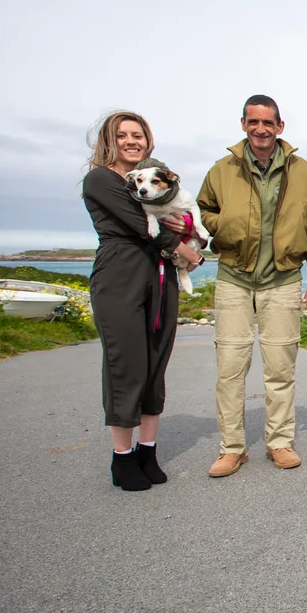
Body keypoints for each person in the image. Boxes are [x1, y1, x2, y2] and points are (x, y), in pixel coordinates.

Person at [196, 95, 307, 477]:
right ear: (243, 124)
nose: (261, 129)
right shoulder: (222, 170)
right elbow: (203, 209)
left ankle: (280, 442)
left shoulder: (303, 171)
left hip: (284, 279)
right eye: (253, 122)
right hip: (234, 278)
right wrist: (223, 226)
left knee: (280, 369)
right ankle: (232, 448)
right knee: (230, 368)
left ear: (280, 127)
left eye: (268, 122)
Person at [81, 110, 206, 491]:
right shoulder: (101, 179)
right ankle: (122, 458)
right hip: (120, 275)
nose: (132, 141)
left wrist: (185, 242)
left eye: (138, 135)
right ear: (109, 140)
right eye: (123, 135)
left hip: (160, 276)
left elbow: (176, 219)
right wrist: (189, 252)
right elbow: (141, 225)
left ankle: (147, 451)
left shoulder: (148, 181)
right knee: (127, 365)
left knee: (155, 363)